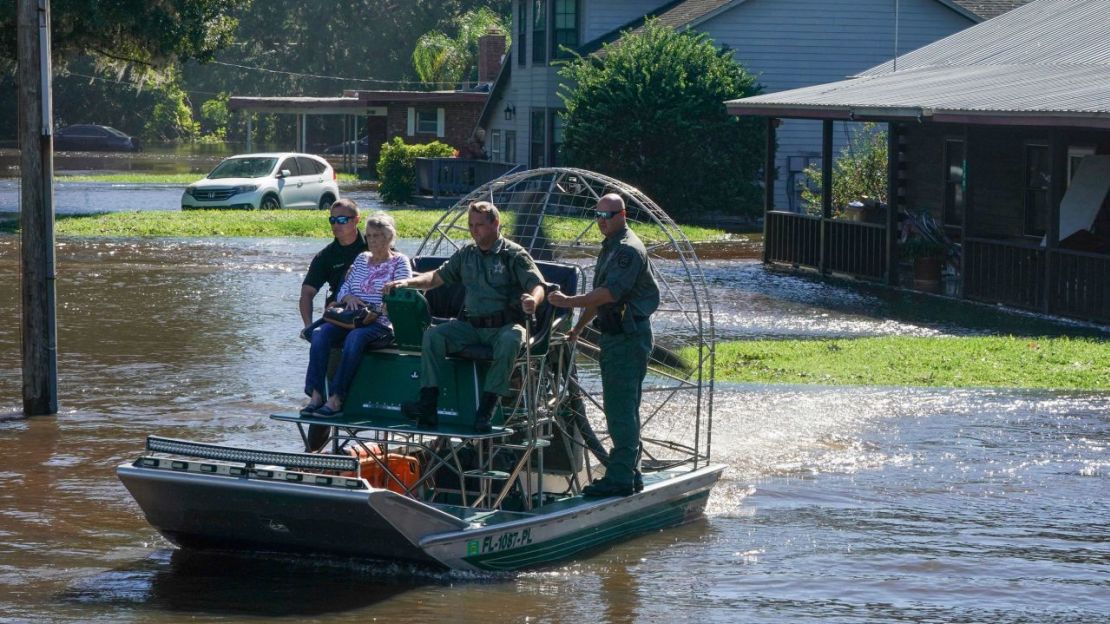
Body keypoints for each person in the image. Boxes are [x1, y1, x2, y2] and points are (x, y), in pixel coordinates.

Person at [383, 201, 545, 432]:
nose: (474, 230)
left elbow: (538, 285)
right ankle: (427, 406)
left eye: (479, 225)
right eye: (470, 225)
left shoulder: (513, 254)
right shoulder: (467, 255)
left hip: (504, 327)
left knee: (511, 341)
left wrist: (533, 300)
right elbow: (436, 278)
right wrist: (407, 282)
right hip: (471, 326)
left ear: (495, 224)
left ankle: (486, 410)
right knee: (433, 336)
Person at [548, 193, 660, 497]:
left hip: (627, 338)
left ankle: (621, 478)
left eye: (606, 216)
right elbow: (599, 295)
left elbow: (609, 294)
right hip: (615, 335)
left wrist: (569, 301)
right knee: (622, 407)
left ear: (622, 215)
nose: (600, 221)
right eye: (596, 215)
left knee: (620, 409)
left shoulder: (627, 251)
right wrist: (578, 329)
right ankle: (629, 472)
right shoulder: (610, 246)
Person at [302, 212, 412, 416]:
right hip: (350, 318)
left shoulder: (399, 262)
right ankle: (316, 394)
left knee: (355, 337)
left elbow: (403, 294)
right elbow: (344, 289)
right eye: (369, 236)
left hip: (380, 322)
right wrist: (348, 298)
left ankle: (336, 398)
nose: (371, 240)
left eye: (377, 236)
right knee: (320, 334)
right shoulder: (361, 259)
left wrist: (377, 307)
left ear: (388, 238)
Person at [299, 199, 368, 339]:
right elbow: (307, 293)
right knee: (318, 334)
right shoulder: (325, 256)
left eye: (342, 220)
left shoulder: (374, 243)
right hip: (340, 316)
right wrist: (308, 326)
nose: (336, 224)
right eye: (332, 220)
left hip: (371, 312)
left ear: (356, 220)